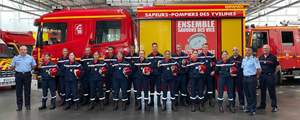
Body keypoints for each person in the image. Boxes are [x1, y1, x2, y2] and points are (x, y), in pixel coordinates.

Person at [11, 46, 36, 111]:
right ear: (20, 51)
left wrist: (30, 68)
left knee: (27, 91)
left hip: (27, 75)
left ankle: (27, 105)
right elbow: (12, 66)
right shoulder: (16, 58)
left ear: (27, 51)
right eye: (22, 50)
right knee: (18, 91)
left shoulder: (30, 58)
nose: (23, 51)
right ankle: (19, 106)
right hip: (18, 75)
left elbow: (34, 66)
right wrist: (17, 69)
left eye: (24, 50)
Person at [257, 44, 281, 112]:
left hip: (270, 76)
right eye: (264, 48)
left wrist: (273, 73)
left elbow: (278, 66)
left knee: (271, 91)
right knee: (262, 91)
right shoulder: (260, 57)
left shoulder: (273, 57)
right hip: (262, 76)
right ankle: (262, 105)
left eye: (266, 48)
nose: (265, 50)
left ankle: (274, 106)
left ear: (269, 50)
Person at [242, 47, 261, 116]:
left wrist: (253, 76)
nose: (247, 51)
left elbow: (259, 70)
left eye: (248, 50)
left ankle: (253, 109)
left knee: (252, 94)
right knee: (247, 94)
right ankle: (249, 107)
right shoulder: (244, 59)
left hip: (251, 78)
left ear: (251, 51)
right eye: (246, 50)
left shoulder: (254, 60)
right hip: (245, 78)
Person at [147, 43, 164, 107]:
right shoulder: (149, 56)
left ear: (157, 47)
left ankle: (159, 101)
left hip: (158, 74)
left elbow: (162, 66)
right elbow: (148, 65)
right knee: (151, 88)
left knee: (159, 88)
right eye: (153, 46)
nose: (154, 47)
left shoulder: (161, 56)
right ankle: (151, 101)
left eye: (155, 46)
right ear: (152, 47)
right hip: (151, 74)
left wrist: (162, 75)